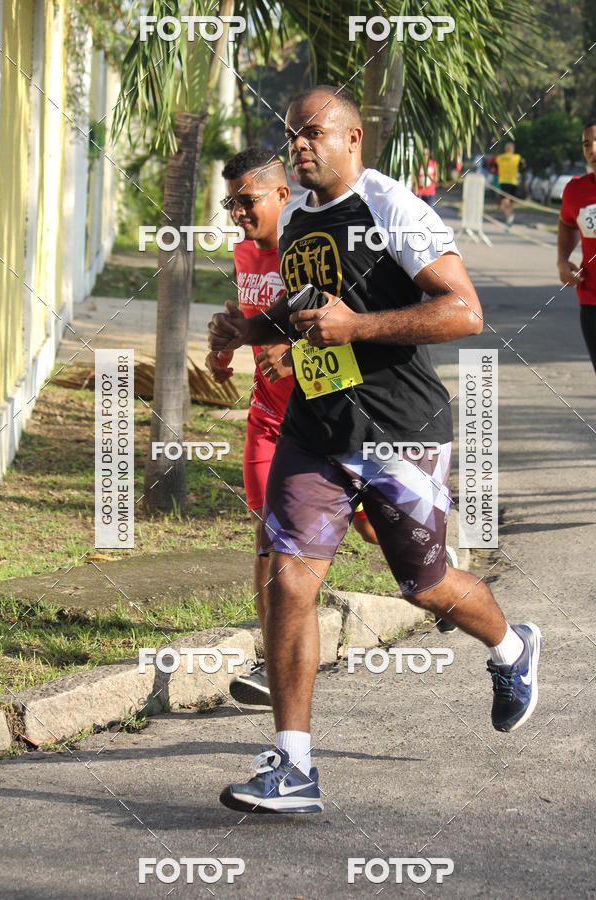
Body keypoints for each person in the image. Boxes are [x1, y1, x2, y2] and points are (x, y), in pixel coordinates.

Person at [209, 86, 541, 815]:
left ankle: (513, 647)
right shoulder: (295, 220)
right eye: (292, 134)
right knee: (289, 581)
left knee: (425, 585)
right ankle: (293, 766)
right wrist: (245, 331)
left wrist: (359, 328)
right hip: (317, 428)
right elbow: (300, 312)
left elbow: (464, 311)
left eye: (313, 133)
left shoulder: (395, 209)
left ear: (353, 139)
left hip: (402, 432)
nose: (298, 145)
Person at [205, 146, 379, 707]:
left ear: (283, 194)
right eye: (230, 202)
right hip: (266, 415)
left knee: (377, 531)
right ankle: (269, 657)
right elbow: (250, 315)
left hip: (323, 416)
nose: (237, 212)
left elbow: (335, 319)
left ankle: (435, 565)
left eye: (247, 200)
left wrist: (293, 353)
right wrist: (229, 340)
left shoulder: (306, 248)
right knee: (267, 535)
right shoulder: (245, 252)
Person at [557, 121, 596, 373]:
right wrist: (562, 260)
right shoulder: (575, 190)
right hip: (592, 299)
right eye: (586, 144)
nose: (592, 149)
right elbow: (567, 224)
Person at [493, 141, 525, 225]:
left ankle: (509, 216)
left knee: (504, 202)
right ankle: (510, 218)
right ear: (513, 149)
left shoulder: (499, 158)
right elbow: (523, 165)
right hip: (514, 182)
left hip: (504, 182)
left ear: (505, 149)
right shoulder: (517, 157)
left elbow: (494, 169)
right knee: (510, 202)